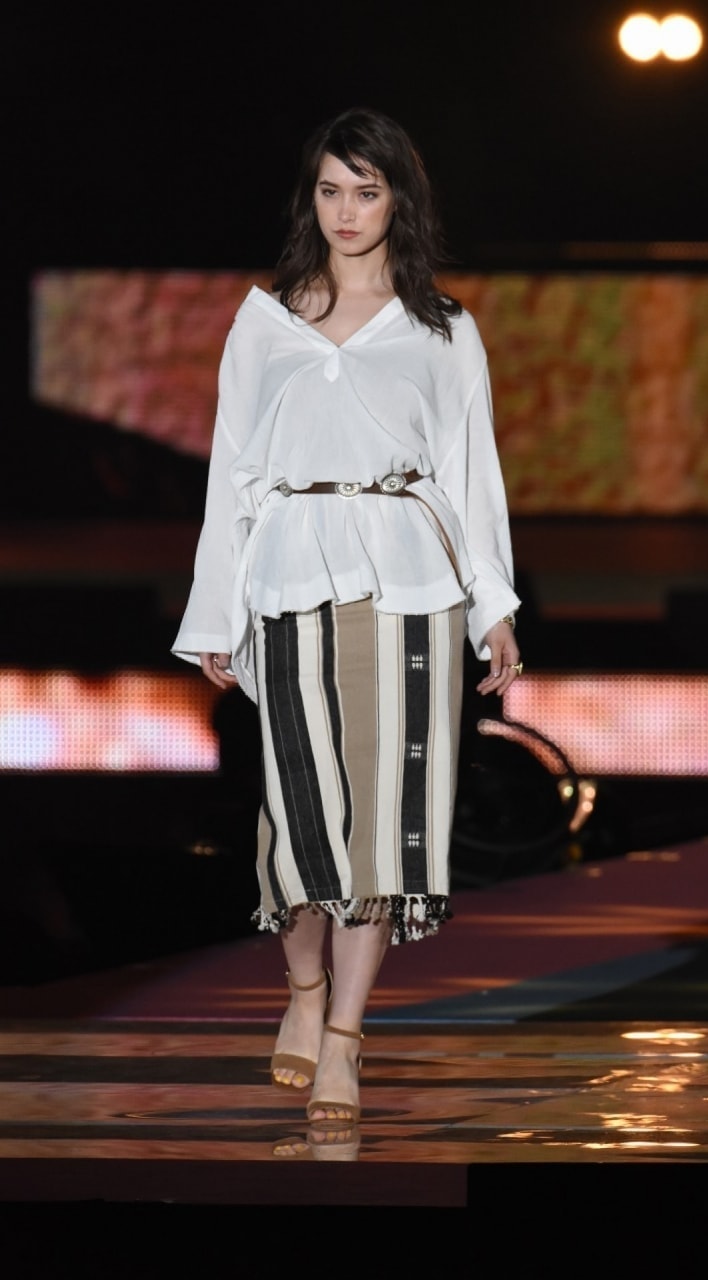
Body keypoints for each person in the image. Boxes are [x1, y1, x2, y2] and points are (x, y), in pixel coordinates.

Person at [172, 105, 522, 1130]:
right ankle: (304, 982)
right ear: (310, 199)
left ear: (398, 199)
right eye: (330, 190)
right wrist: (215, 609)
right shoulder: (265, 322)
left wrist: (493, 610)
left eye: (366, 191)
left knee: (386, 825)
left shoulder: (441, 329)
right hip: (289, 577)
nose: (346, 211)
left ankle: (344, 1039)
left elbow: (471, 476)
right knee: (300, 819)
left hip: (412, 585)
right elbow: (231, 473)